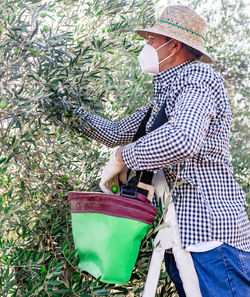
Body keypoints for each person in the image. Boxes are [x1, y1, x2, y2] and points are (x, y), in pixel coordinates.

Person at [66, 5, 250, 297]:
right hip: (184, 238)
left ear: (173, 45)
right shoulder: (165, 97)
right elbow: (114, 132)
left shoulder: (198, 78)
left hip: (211, 240)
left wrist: (122, 157)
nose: (147, 45)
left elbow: (182, 139)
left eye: (152, 39)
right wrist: (64, 109)